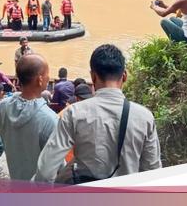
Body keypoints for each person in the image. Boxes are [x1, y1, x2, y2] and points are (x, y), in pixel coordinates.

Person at [34, 44, 161, 183]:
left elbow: (46, 170)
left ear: (93, 77)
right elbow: (152, 171)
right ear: (124, 76)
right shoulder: (144, 117)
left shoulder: (74, 113)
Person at [0, 54, 58, 181]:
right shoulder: (49, 119)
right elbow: (53, 168)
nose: (49, 77)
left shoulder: (2, 107)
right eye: (47, 73)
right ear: (40, 79)